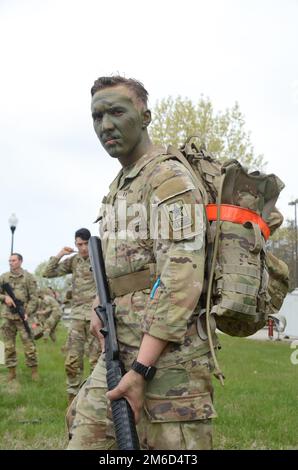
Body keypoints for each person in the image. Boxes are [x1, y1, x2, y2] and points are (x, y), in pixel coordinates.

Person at [66, 76, 219, 450]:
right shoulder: (120, 186)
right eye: (97, 116)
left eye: (117, 112)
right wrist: (98, 308)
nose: (106, 126)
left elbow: (182, 275)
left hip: (167, 362)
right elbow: (124, 272)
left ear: (145, 115)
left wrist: (141, 369)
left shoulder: (167, 176)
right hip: (119, 349)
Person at [42, 228, 100, 404]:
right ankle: (72, 400)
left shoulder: (100, 258)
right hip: (77, 317)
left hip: (96, 316)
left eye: (84, 244)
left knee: (96, 360)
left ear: (90, 242)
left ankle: (94, 399)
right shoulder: (74, 261)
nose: (82, 248)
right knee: (72, 360)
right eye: (78, 244)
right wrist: (60, 254)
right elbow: (47, 273)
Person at [0, 253, 39, 381]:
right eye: (9, 260)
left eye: (14, 260)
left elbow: (34, 297)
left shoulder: (28, 277)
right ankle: (11, 372)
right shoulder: (4, 277)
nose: (11, 263)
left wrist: (27, 312)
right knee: (9, 346)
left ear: (20, 261)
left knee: (29, 346)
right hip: (7, 316)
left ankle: (34, 372)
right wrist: (4, 297)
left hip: (23, 316)